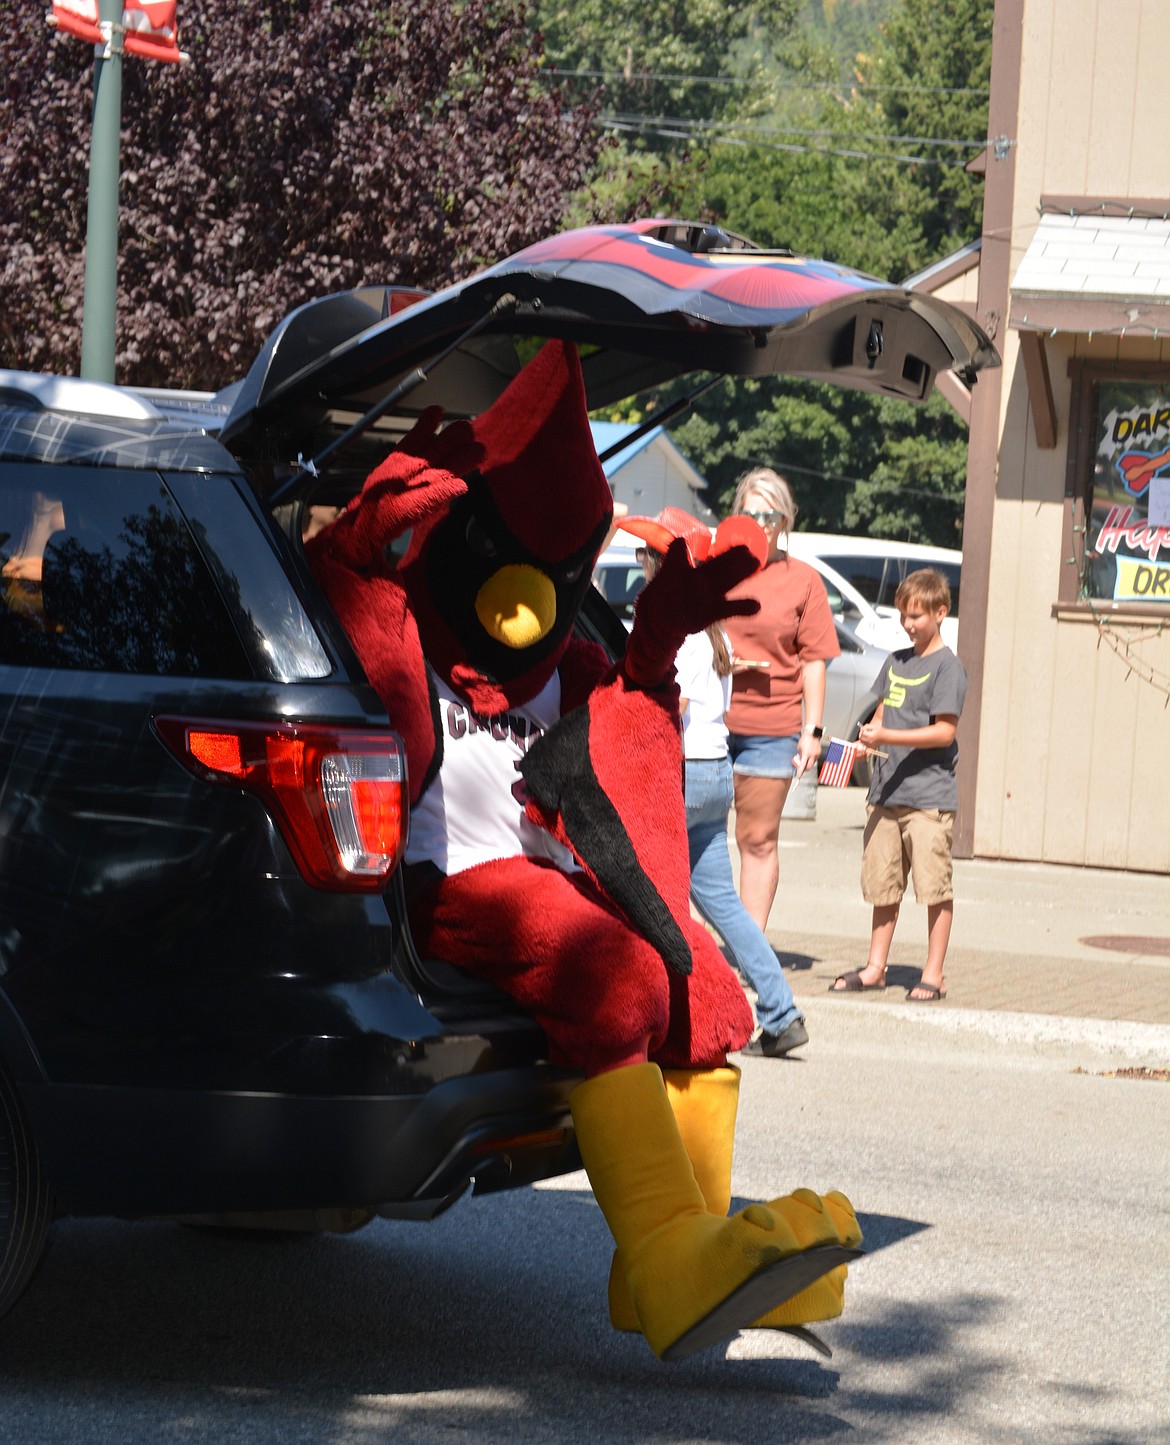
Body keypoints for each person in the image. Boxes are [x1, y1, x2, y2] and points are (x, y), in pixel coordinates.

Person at [306, 341, 860, 1362]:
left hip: (539, 874)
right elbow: (333, 599)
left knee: (700, 983)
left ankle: (690, 1253)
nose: (526, 611)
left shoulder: (560, 663)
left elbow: (627, 720)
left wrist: (657, 638)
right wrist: (363, 530)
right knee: (611, 982)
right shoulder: (408, 636)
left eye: (554, 580)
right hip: (453, 882)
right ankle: (663, 1250)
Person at [624, 509, 809, 1058]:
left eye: (647, 557)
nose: (642, 564)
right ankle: (781, 1012)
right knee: (723, 905)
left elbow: (671, 706)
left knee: (651, 899)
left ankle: (666, 1018)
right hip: (715, 772)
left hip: (680, 773)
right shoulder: (712, 631)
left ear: (663, 562)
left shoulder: (674, 628)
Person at [831, 567, 967, 1001]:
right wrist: (861, 744)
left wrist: (887, 736)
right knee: (883, 885)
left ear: (940, 613)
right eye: (904, 616)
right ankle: (875, 967)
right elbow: (880, 716)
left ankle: (933, 973)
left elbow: (945, 732)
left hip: (928, 799)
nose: (909, 624)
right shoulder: (895, 662)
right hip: (887, 794)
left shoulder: (948, 668)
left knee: (934, 888)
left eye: (918, 616)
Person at [722, 467, 840, 937]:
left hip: (771, 730)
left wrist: (813, 732)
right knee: (696, 840)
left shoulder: (803, 580)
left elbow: (814, 661)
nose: (759, 523)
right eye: (750, 513)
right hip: (709, 724)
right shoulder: (719, 570)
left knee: (756, 840)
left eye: (769, 514)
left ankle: (751, 949)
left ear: (785, 520)